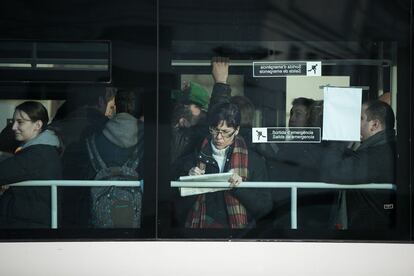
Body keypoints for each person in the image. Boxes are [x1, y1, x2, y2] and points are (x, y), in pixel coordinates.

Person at [183, 102, 271, 229]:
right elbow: (176, 205)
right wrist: (188, 181)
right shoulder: (194, 156)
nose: (219, 137)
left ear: (237, 130)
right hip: (202, 233)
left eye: (225, 132)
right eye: (215, 130)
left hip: (239, 235)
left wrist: (240, 188)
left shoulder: (254, 161)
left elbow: (265, 207)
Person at [322, 100, 396, 229]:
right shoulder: (386, 148)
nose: (355, 125)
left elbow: (332, 172)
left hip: (370, 233)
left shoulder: (377, 155)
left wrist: (337, 137)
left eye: (360, 119)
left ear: (374, 125)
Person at [0, 101, 62, 228]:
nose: (13, 127)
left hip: (26, 226)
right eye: (13, 122)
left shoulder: (37, 154)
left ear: (37, 125)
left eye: (20, 122)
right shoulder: (43, 150)